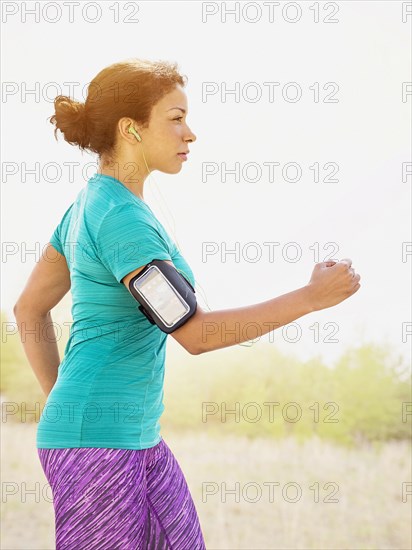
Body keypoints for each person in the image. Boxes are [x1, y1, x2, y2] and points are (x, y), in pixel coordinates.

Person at [13, 58, 361, 550]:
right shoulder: (117, 219)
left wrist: (63, 403)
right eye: (176, 118)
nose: (190, 133)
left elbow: (27, 310)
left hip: (132, 436)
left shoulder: (91, 205)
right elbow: (195, 334)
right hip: (99, 445)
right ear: (130, 128)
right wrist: (308, 299)